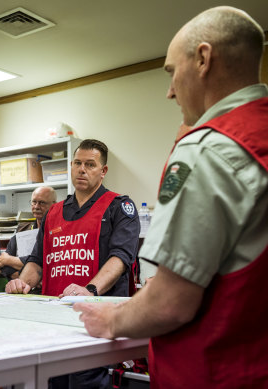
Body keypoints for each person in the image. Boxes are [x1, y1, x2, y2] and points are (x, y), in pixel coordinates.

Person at [74, 7, 268, 388]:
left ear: (203, 59)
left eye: (171, 72)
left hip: (213, 372)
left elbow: (170, 302)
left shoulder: (209, 149)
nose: (170, 91)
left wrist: (111, 319)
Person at [6, 139, 140, 388]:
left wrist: (89, 290)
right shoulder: (53, 212)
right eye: (78, 163)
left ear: (103, 171)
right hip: (52, 323)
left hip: (95, 323)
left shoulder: (119, 207)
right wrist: (21, 284)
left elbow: (120, 258)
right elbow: (38, 261)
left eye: (90, 164)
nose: (82, 169)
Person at [0, 186, 56, 281]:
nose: (36, 207)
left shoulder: (59, 231)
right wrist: (30, 279)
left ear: (54, 205)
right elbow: (2, 264)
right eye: (34, 202)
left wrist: (10, 260)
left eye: (42, 202)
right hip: (22, 289)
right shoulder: (22, 229)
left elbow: (48, 263)